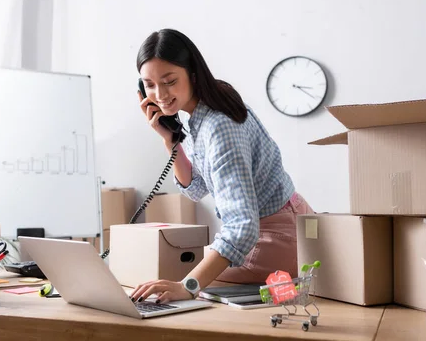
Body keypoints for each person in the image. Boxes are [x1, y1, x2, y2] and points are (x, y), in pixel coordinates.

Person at [130, 29, 315, 305]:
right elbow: (196, 189)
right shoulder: (199, 115)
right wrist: (170, 140)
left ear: (192, 74)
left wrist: (189, 285)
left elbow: (242, 227)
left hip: (276, 234)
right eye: (150, 85)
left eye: (169, 81)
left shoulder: (219, 126)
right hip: (277, 225)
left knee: (185, 289)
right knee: (175, 280)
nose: (160, 94)